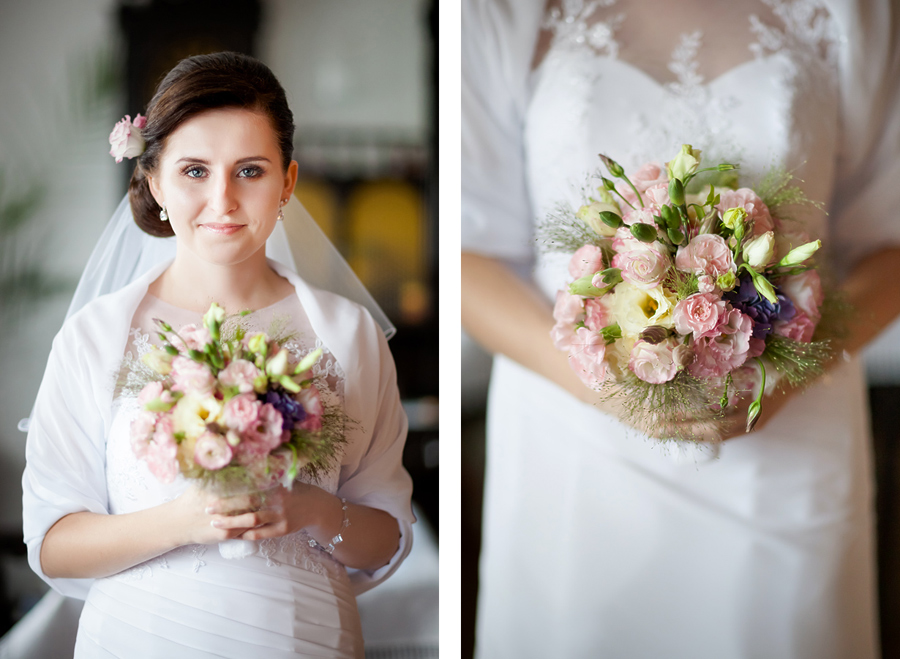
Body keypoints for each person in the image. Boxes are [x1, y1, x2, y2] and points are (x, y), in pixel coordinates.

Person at [462, 0, 900, 657]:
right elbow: (466, 252)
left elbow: (890, 243)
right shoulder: (495, 13)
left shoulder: (861, 13)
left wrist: (784, 374)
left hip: (790, 442)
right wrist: (606, 387)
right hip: (573, 446)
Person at [22, 52, 414, 659]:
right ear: (156, 182)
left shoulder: (347, 334)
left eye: (250, 171)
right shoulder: (95, 337)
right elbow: (52, 544)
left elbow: (385, 538)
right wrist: (183, 520)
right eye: (195, 171)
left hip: (306, 639)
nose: (223, 200)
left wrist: (312, 510)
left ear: (287, 182)